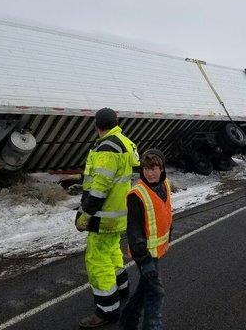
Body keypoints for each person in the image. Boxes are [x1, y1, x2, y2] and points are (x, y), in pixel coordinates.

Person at [76, 107, 139, 328]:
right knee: (112, 252)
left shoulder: (107, 147)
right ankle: (122, 289)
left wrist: (85, 214)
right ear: (116, 122)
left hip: (102, 216)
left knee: (97, 261)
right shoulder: (127, 143)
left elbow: (99, 189)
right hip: (119, 214)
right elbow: (135, 177)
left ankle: (107, 310)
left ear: (96, 125)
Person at [119, 149, 172, 330]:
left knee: (144, 290)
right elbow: (134, 233)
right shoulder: (137, 195)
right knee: (156, 294)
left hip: (157, 250)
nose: (149, 173)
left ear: (161, 168)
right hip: (144, 254)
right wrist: (145, 261)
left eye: (154, 168)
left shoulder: (164, 185)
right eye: (146, 169)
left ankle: (127, 321)